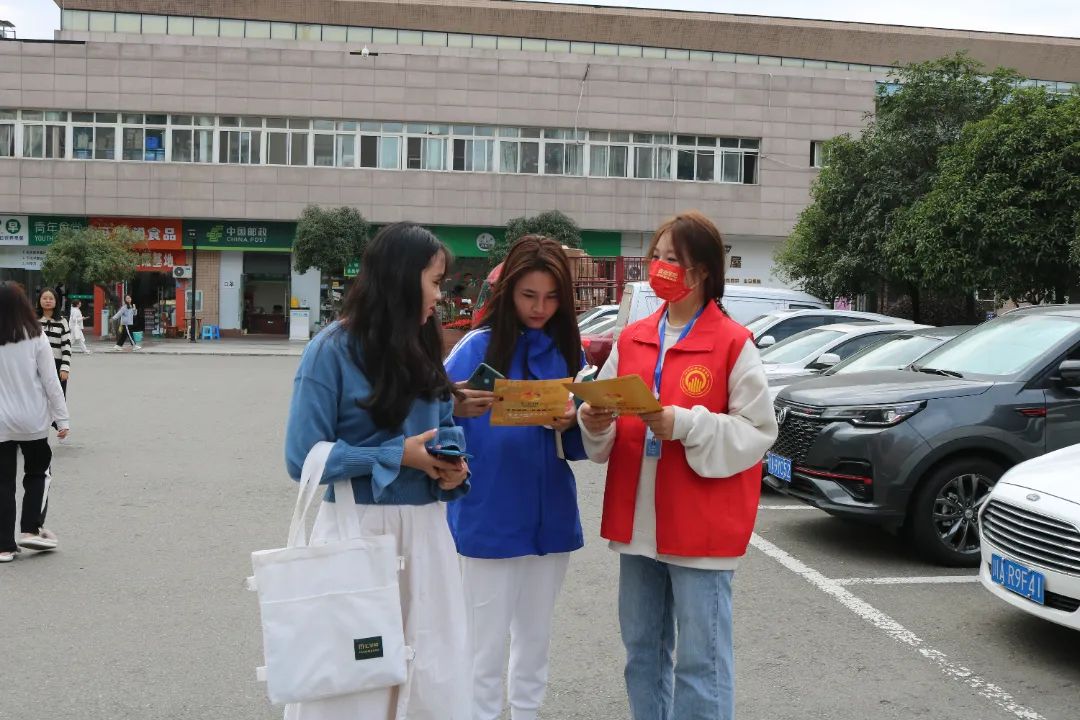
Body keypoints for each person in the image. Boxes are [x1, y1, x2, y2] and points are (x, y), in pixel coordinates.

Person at [578, 211, 778, 720]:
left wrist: (685, 424)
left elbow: (758, 431)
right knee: (642, 655)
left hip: (700, 527)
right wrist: (593, 419)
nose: (661, 267)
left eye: (675, 259)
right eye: (658, 256)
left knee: (700, 662)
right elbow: (603, 428)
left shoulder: (732, 343)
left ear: (703, 271)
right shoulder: (633, 339)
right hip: (638, 525)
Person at [284, 222, 472, 720]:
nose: (440, 295)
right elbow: (301, 458)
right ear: (402, 278)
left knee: (430, 670)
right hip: (357, 528)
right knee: (354, 676)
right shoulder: (330, 350)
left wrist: (453, 469)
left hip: (427, 531)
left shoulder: (424, 344)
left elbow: (444, 427)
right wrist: (394, 455)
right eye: (435, 282)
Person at [444, 236, 586, 720]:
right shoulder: (477, 349)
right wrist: (454, 409)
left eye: (551, 297)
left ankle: (528, 712)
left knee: (535, 639)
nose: (540, 308)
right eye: (529, 295)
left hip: (551, 518)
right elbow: (431, 420)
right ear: (508, 293)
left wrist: (576, 421)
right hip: (488, 515)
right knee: (482, 647)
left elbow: (582, 446)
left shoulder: (569, 352)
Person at [0, 283, 71, 563]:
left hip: (1, 421)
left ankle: (4, 547)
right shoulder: (36, 335)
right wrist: (62, 418)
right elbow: (51, 381)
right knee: (38, 472)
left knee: (3, 482)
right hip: (33, 419)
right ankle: (30, 528)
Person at [38, 288, 71, 396]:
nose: (48, 301)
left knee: (58, 398)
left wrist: (65, 368)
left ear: (56, 301)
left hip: (57, 365)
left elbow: (66, 346)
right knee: (39, 399)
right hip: (37, 365)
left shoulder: (62, 321)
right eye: (44, 298)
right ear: (39, 300)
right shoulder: (33, 321)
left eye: (51, 298)